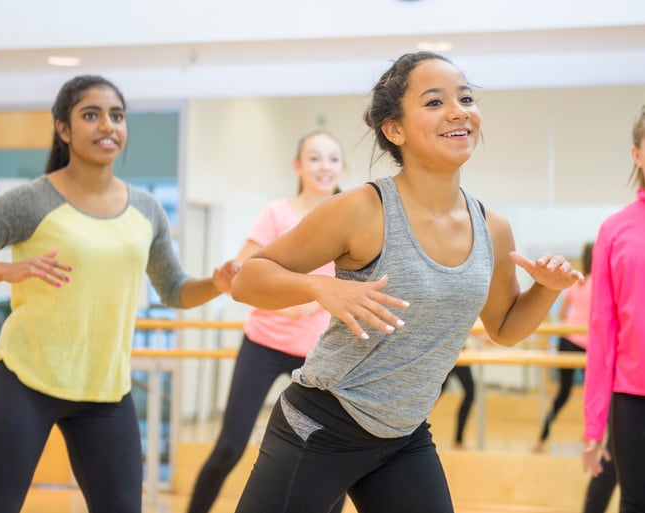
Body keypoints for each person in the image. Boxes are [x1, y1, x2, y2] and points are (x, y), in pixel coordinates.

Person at [230, 51, 584, 513]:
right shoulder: (362, 209)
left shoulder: (492, 227)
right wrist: (320, 287)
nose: (459, 111)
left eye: (466, 97)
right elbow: (248, 279)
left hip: (403, 434)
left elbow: (505, 327)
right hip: (322, 424)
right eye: (435, 102)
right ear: (394, 129)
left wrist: (546, 289)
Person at [0, 75, 236, 513]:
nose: (107, 125)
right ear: (64, 128)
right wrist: (7, 270)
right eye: (91, 115)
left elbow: (174, 289)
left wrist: (216, 284)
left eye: (117, 115)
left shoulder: (146, 209)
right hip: (25, 381)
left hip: (106, 391)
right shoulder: (31, 200)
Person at [186, 131, 347, 513]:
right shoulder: (277, 214)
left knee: (332, 452)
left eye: (333, 159)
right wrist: (283, 298)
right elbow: (239, 275)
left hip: (318, 353)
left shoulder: (347, 218)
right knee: (229, 446)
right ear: (298, 166)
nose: (324, 167)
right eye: (315, 158)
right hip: (263, 345)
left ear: (342, 168)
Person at [582, 105, 645, 513]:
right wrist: (593, 426)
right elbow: (602, 332)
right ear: (637, 154)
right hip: (633, 399)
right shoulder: (615, 229)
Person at [533, 241, 594, 453]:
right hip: (588, 344)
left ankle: (541, 439)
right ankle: (590, 438)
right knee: (593, 394)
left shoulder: (577, 283)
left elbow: (561, 314)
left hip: (567, 341)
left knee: (563, 394)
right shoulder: (602, 284)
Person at [440, 363, 475, 449]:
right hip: (452, 355)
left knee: (470, 393)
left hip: (456, 355)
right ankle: (458, 441)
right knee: (433, 393)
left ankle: (458, 441)